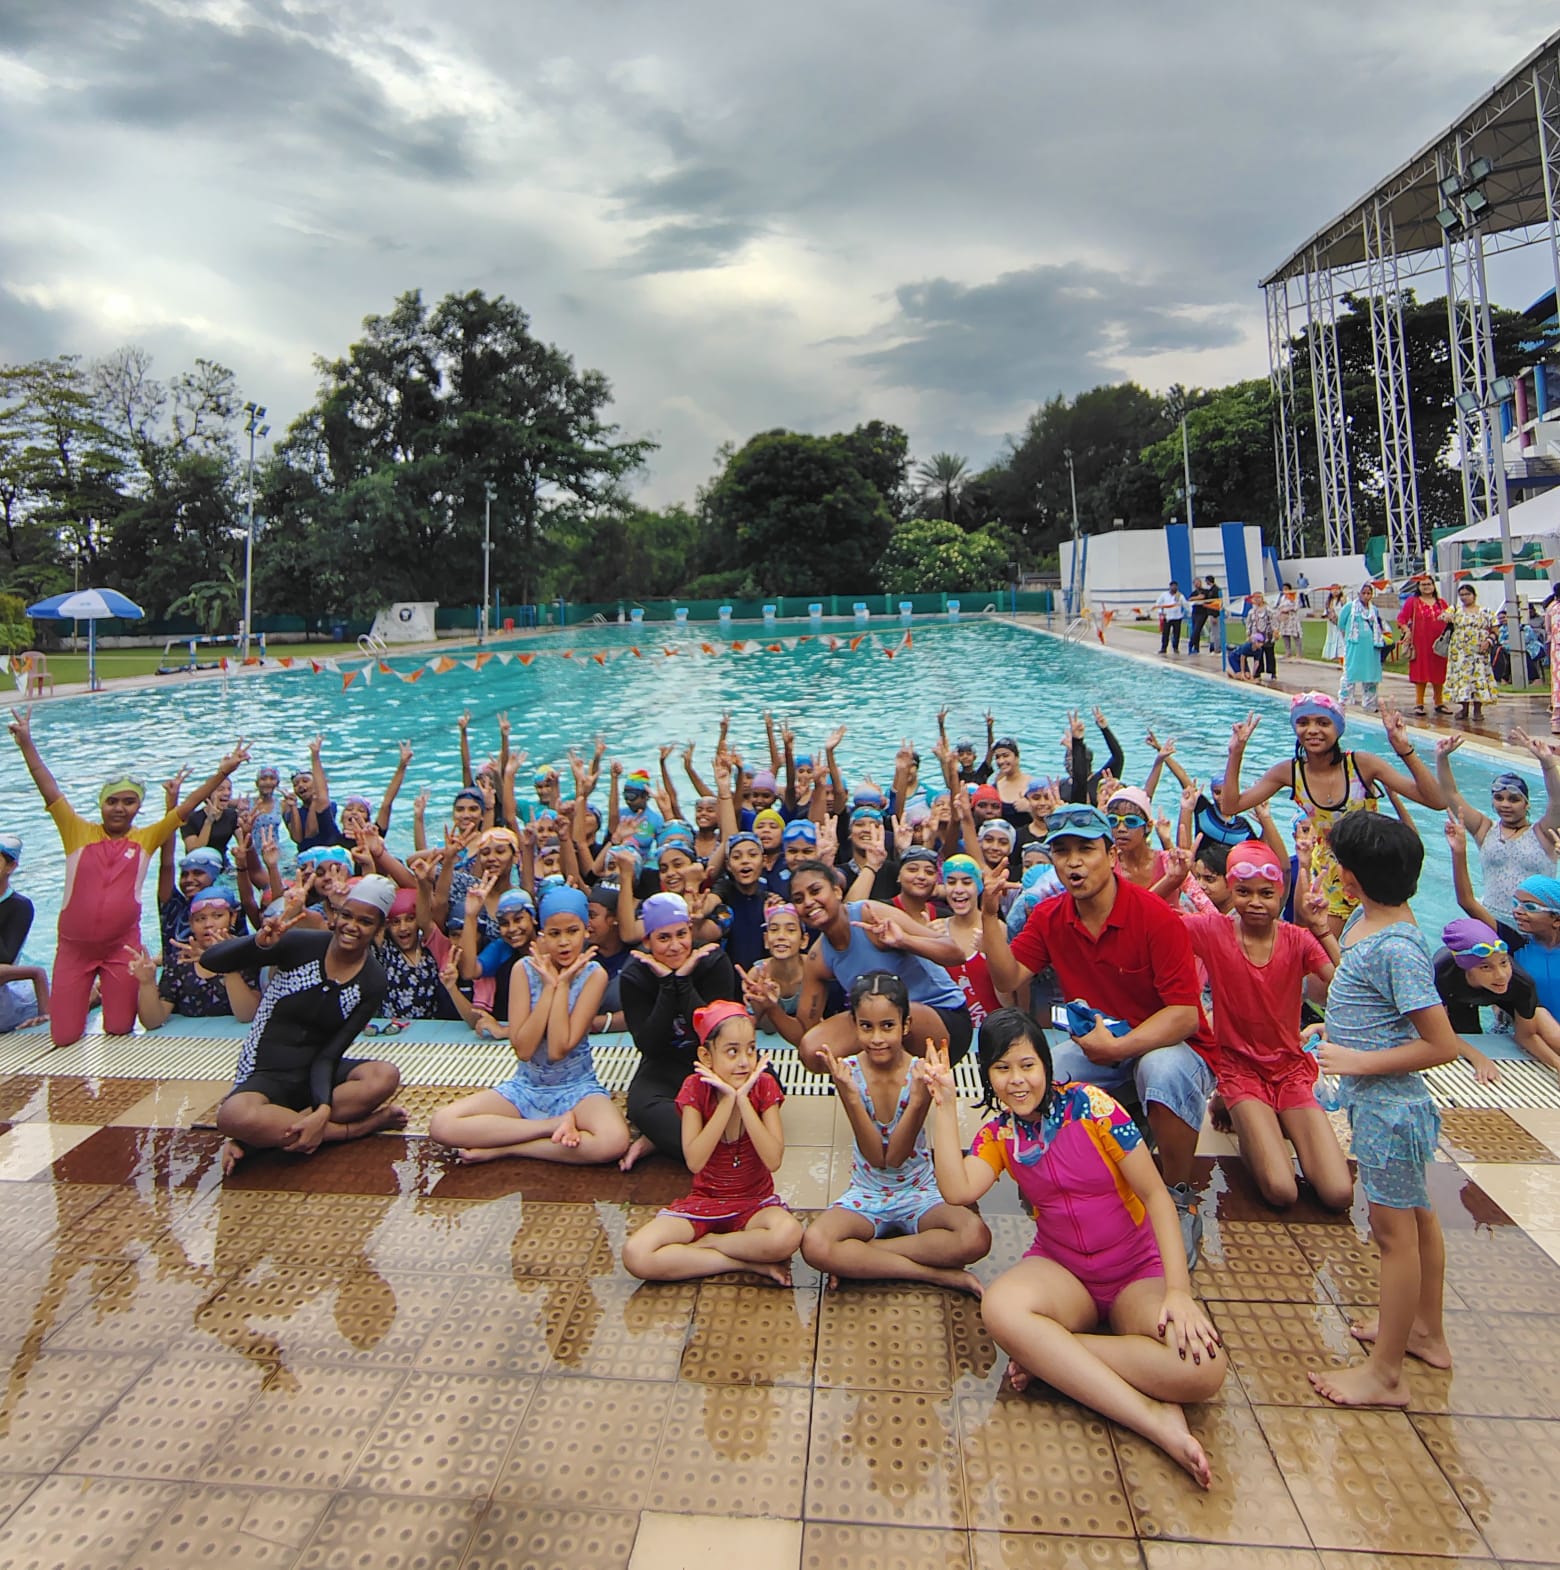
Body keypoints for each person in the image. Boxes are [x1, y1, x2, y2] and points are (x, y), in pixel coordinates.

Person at [919, 1014, 1224, 1488]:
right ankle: (1151, 1418)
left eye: (1027, 1065)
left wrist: (1179, 1293)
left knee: (1205, 1369)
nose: (1017, 1081)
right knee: (1000, 1308)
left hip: (1136, 1272)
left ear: (1046, 1063)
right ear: (988, 1076)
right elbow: (958, 1189)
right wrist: (943, 1104)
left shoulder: (1093, 1106)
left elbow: (1158, 1198)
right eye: (1002, 1069)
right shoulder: (1001, 1135)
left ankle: (1055, 1358)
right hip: (1063, 1273)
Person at [979, 804, 1214, 1266]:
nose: (1073, 862)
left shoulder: (1154, 916)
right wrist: (990, 917)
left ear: (1111, 855)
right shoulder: (1050, 916)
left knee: (1161, 1070)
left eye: (1086, 849)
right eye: (1061, 851)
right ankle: (1069, 1177)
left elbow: (1185, 1015)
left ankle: (1178, 1194)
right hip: (1100, 1047)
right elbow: (1008, 978)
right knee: (1049, 1072)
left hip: (1170, 1046)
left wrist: (1120, 1047)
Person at [1307, 812, 1473, 1408]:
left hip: (1391, 1111)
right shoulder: (1367, 920)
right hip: (1378, 1107)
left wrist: (1355, 1061)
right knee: (1419, 1217)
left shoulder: (1398, 948)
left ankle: (1384, 1375)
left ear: (1349, 878)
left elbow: (1442, 1043)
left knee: (1392, 1233)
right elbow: (1360, 985)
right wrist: (1323, 936)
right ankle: (1425, 1331)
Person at [7, 709, 251, 1048]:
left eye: (128, 801)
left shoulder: (146, 838)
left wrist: (222, 772)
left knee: (121, 1028)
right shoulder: (75, 830)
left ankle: (101, 996)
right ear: (101, 804)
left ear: (138, 807)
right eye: (112, 801)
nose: (119, 808)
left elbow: (188, 806)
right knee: (63, 1037)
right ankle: (83, 998)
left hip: (121, 947)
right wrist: (26, 743)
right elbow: (48, 786)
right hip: (74, 949)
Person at [1178, 840, 1353, 1210]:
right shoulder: (1213, 931)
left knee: (1338, 1194)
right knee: (1281, 1191)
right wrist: (1175, 878)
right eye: (1243, 892)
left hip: (1289, 1068)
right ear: (1230, 889)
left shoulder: (1299, 939)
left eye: (1266, 893)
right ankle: (1229, 1102)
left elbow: (1346, 989)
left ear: (1281, 894)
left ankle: (1261, 1114)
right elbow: (1149, 921)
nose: (1255, 902)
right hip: (1238, 1069)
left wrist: (1322, 929)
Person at [204, 873, 406, 1176]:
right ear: (335, 916)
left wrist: (322, 1108)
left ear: (378, 929)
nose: (352, 926)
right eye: (347, 916)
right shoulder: (302, 945)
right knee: (232, 1115)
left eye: (365, 922)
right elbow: (212, 960)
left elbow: (329, 1055)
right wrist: (257, 944)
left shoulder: (372, 981)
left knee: (384, 1075)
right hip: (264, 1072)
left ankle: (265, 1137)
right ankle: (354, 1129)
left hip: (315, 1076)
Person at [801, 972, 990, 1292]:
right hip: (867, 1192)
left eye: (887, 1026)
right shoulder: (850, 1074)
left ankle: (865, 1259)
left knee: (975, 1236)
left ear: (905, 1025)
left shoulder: (919, 1072)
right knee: (815, 1244)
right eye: (866, 1026)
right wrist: (848, 1094)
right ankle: (936, 1275)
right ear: (855, 1025)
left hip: (920, 1192)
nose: (877, 1038)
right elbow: (878, 1158)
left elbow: (899, 1156)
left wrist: (918, 1101)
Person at [429, 886, 630, 1164]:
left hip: (577, 1088)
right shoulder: (523, 970)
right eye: (555, 934)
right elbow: (523, 1049)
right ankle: (550, 1127)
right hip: (526, 1086)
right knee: (442, 1124)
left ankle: (509, 1147)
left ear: (586, 931)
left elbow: (559, 1048)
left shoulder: (594, 975)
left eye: (572, 932)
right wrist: (549, 987)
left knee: (614, 1141)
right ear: (542, 934)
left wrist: (563, 985)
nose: (564, 943)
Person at [1219, 693, 1445, 934]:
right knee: (1329, 960)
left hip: (1375, 875)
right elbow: (1231, 806)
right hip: (1328, 877)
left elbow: (1436, 800)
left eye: (1323, 723)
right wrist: (1236, 753)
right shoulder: (1289, 772)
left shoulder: (1362, 765)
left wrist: (1404, 750)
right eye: (1303, 722)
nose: (1312, 730)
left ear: (1338, 729)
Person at [622, 999, 803, 1284]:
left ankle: (706, 1248)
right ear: (707, 1057)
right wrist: (726, 1103)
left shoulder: (764, 1086)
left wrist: (743, 1101)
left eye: (751, 1050)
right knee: (636, 1253)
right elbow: (695, 1161)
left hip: (754, 1205)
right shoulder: (694, 1088)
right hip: (704, 1204)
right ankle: (743, 1262)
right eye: (732, 1052)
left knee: (789, 1235)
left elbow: (773, 1160)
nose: (744, 1062)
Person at [791, 860, 973, 1072]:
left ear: (837, 892)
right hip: (879, 1026)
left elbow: (955, 953)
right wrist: (769, 1009)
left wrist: (903, 941)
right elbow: (806, 1029)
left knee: (882, 1015)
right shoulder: (817, 957)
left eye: (815, 891)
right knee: (815, 1052)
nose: (809, 902)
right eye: (799, 899)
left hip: (944, 1017)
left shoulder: (871, 914)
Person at [618, 892, 742, 1170]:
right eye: (663, 938)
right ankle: (715, 1147)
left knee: (766, 1086)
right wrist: (667, 985)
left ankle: (664, 1142)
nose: (675, 947)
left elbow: (720, 1036)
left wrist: (684, 982)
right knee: (640, 1105)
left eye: (681, 934)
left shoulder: (712, 961)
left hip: (714, 1063)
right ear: (647, 941)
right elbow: (649, 1045)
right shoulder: (635, 975)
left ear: (690, 931)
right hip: (665, 1065)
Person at [1435, 733, 1560, 945]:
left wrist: (1548, 765)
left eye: (1514, 799)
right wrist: (1442, 758)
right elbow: (1451, 794)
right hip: (1490, 922)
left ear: (1527, 804)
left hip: (1536, 925)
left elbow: (1557, 800)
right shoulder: (1485, 829)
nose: (1505, 804)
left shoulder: (1543, 833)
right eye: (1499, 798)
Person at [1432, 909, 1560, 1075]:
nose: (1501, 975)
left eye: (1504, 962)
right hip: (1458, 999)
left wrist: (1556, 1063)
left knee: (1555, 1038)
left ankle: (1499, 1011)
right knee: (1468, 1037)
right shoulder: (1441, 975)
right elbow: (1438, 1034)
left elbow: (1525, 1036)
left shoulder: (1519, 981)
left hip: (1508, 996)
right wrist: (1478, 1058)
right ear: (1466, 968)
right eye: (1486, 967)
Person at [1441, 583, 1497, 722]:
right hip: (1459, 652)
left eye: (1467, 594)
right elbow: (1442, 616)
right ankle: (1464, 708)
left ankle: (1478, 710)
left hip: (1479, 651)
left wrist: (1488, 641)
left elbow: (1495, 629)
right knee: (1462, 679)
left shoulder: (1486, 611)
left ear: (1474, 595)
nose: (1464, 597)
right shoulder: (1455, 610)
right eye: (1462, 595)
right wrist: (1446, 616)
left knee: (1479, 678)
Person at [1396, 575, 1450, 716]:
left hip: (1439, 644)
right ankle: (1419, 704)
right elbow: (1401, 618)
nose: (1426, 587)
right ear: (1418, 587)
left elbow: (1450, 618)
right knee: (1421, 672)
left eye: (1429, 584)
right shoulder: (1412, 602)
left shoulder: (1441, 603)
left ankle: (1439, 703)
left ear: (1433, 586)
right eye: (1423, 585)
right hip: (1420, 643)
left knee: (1439, 672)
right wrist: (1406, 630)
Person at [1336, 583, 1386, 711]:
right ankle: (1344, 700)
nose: (1366, 596)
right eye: (1363, 593)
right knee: (1350, 673)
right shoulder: (1350, 607)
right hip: (1355, 646)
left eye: (1369, 593)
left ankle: (1369, 702)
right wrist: (1348, 639)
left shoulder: (1373, 610)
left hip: (1371, 648)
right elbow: (1341, 624)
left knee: (1371, 675)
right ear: (1358, 594)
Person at [1155, 581, 1186, 655]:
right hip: (1167, 617)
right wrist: (1161, 612)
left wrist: (1190, 612)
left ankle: (1175, 648)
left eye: (1175, 586)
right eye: (1173, 586)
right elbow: (1158, 604)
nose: (1174, 588)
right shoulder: (1164, 595)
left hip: (1177, 617)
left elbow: (1185, 604)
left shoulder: (1179, 596)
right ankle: (1164, 648)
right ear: (1170, 587)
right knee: (1165, 633)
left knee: (1176, 633)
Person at [1276, 584, 1303, 660]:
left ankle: (1299, 653)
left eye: (1286, 589)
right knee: (1285, 635)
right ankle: (1288, 652)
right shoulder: (1282, 598)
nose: (1285, 591)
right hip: (1284, 618)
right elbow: (1280, 606)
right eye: (1284, 589)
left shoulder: (1295, 596)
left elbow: (1296, 606)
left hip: (1292, 617)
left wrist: (1288, 609)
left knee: (1296, 635)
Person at [1322, 589, 1346, 665]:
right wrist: (1329, 616)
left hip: (1341, 622)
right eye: (1333, 590)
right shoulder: (1329, 601)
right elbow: (1325, 612)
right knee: (1332, 638)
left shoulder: (1344, 599)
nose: (1335, 591)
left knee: (1341, 639)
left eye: (1337, 590)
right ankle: (1333, 655)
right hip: (1332, 623)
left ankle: (1342, 657)